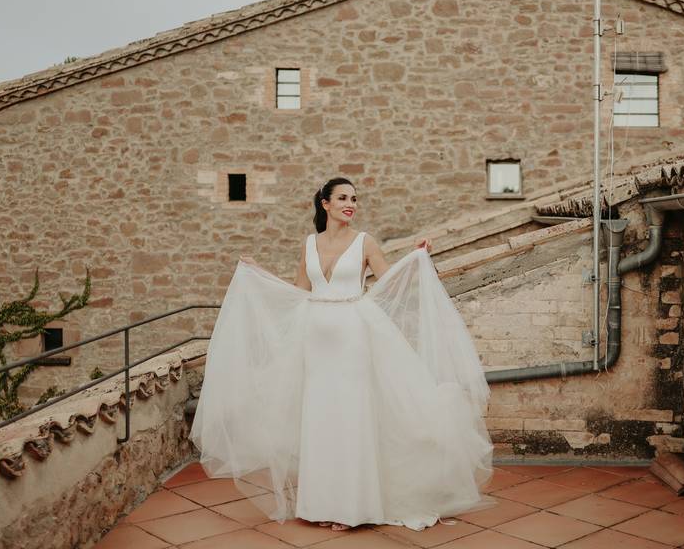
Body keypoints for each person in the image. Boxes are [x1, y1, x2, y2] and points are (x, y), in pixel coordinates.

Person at [189, 177, 497, 532]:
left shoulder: (364, 241)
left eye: (355, 199)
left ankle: (354, 507)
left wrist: (416, 258)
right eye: (343, 198)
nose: (351, 204)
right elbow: (299, 293)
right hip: (315, 341)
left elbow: (388, 281)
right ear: (325, 204)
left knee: (352, 417)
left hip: (353, 336)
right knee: (320, 418)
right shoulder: (309, 244)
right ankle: (321, 504)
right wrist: (258, 275)